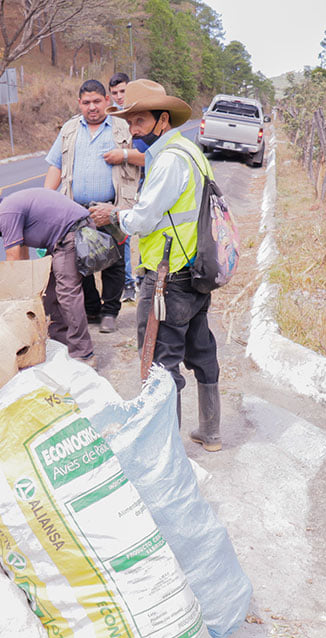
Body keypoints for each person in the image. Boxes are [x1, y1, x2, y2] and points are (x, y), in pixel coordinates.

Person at [88, 80, 223, 452]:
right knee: (201, 350)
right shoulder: (190, 150)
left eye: (141, 121)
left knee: (160, 364)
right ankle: (210, 432)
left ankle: (167, 450)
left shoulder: (168, 161)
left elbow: (144, 220)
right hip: (196, 271)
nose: (133, 130)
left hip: (167, 278)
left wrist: (115, 215)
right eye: (130, 122)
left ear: (163, 120)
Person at [44, 79, 139, 334]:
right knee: (79, 260)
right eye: (86, 102)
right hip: (76, 210)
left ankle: (110, 311)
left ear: (107, 100)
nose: (92, 107)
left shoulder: (122, 126)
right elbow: (56, 165)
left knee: (114, 262)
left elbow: (147, 157)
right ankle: (92, 308)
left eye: (97, 101)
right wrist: (46, 199)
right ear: (79, 103)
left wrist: (124, 155)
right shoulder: (69, 129)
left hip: (112, 207)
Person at [0, 188, 96, 366]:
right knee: (48, 291)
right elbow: (22, 257)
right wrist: (26, 287)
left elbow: (13, 258)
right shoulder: (10, 210)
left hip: (71, 233)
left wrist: (12, 297)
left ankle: (84, 353)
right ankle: (62, 344)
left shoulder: (6, 213)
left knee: (67, 293)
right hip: (61, 239)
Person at [103, 72, 145, 304]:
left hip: (145, 182)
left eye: (123, 91)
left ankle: (142, 278)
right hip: (123, 186)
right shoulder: (111, 121)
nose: (119, 96)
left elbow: (148, 156)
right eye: (115, 93)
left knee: (145, 230)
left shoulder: (142, 117)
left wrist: (124, 155)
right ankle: (127, 282)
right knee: (122, 232)